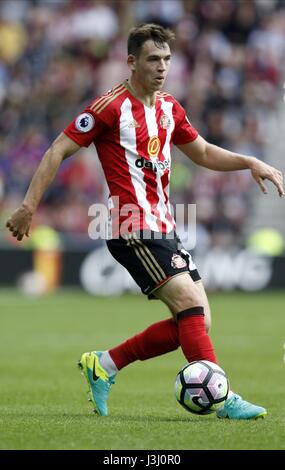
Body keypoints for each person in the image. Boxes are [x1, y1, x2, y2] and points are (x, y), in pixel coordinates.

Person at [6, 24, 284, 420]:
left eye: (167, 59)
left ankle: (105, 364)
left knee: (197, 320)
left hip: (164, 226)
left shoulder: (170, 108)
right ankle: (223, 400)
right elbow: (57, 150)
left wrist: (249, 161)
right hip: (129, 225)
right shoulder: (109, 107)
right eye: (154, 59)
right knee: (190, 307)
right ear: (131, 62)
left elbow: (202, 152)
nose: (162, 67)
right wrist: (29, 206)